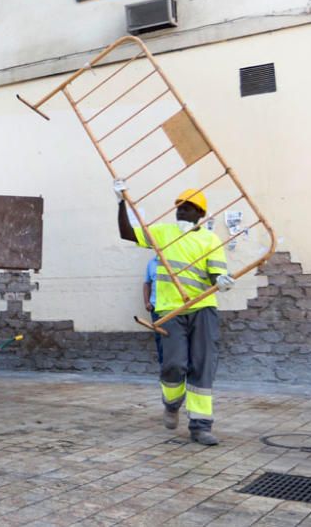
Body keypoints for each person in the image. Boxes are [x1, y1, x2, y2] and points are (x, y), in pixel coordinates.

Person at [115, 182, 233, 446]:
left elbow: (215, 274)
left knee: (202, 365)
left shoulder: (210, 240)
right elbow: (127, 234)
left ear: (200, 215)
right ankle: (171, 402)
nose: (182, 212)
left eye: (189, 208)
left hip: (203, 309)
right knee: (174, 364)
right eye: (180, 207)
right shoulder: (163, 232)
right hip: (169, 311)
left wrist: (222, 280)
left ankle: (201, 426)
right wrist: (120, 202)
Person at [143, 255, 163, 365]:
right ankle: (163, 368)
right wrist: (147, 302)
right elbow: (147, 283)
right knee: (159, 339)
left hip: (174, 308)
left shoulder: (176, 260)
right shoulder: (152, 263)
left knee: (175, 339)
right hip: (156, 308)